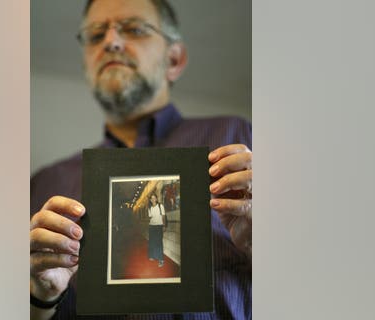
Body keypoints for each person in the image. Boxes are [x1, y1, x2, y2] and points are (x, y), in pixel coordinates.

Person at [30, 0, 252, 319]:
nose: (111, 41)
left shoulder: (240, 139)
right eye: (95, 36)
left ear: (174, 59)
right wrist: (39, 298)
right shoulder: (44, 185)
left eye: (134, 29)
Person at [147, 193, 166, 267]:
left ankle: (161, 260)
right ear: (150, 200)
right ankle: (152, 256)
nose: (153, 199)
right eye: (151, 198)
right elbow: (150, 217)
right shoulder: (149, 207)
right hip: (152, 226)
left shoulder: (160, 206)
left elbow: (163, 216)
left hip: (159, 226)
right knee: (152, 242)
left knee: (159, 243)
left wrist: (164, 226)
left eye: (154, 198)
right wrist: (150, 222)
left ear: (156, 199)